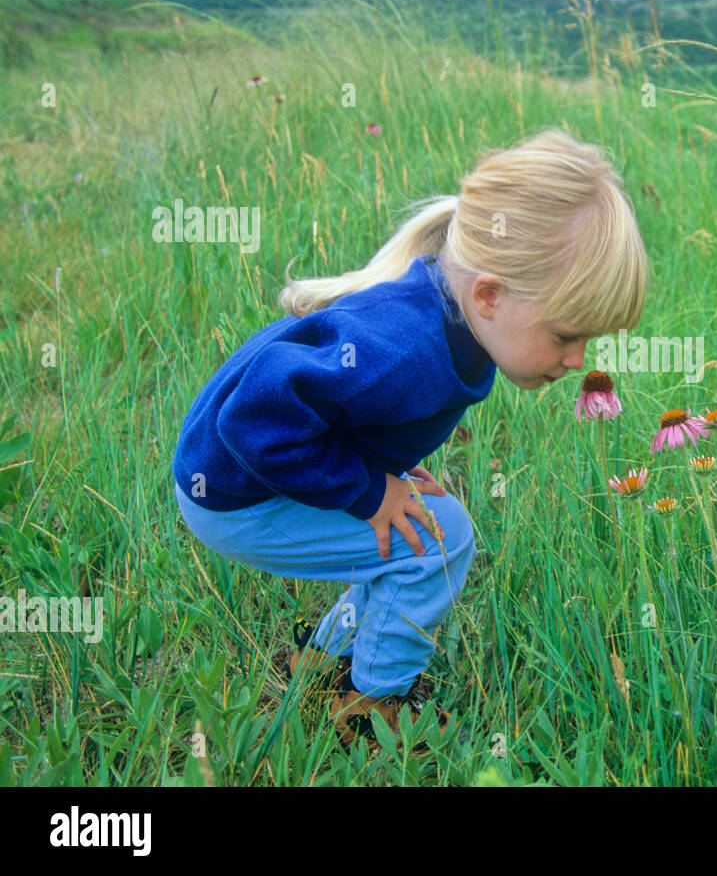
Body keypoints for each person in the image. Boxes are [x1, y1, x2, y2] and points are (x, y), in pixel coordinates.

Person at [172, 127, 648, 748]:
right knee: (438, 543)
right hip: (235, 492)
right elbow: (251, 420)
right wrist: (368, 490)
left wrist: (383, 471)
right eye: (565, 336)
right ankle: (375, 708)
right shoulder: (402, 348)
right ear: (489, 295)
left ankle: (321, 669)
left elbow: (355, 415)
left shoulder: (459, 318)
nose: (577, 360)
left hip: (252, 473)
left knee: (418, 521)